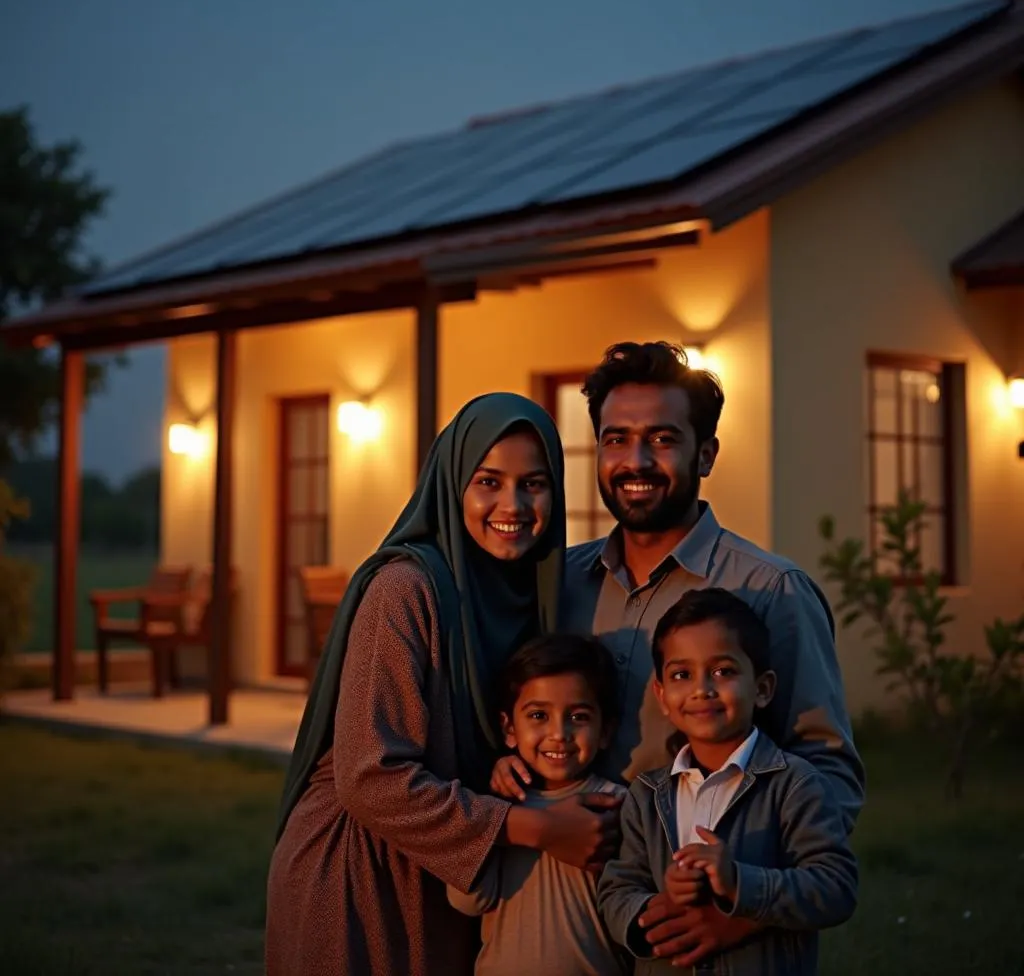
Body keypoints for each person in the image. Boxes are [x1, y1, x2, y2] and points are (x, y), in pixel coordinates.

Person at [491, 342, 864, 967]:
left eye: (662, 439)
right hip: (571, 917)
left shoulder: (770, 591)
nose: (634, 461)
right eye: (615, 440)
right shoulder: (560, 583)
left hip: (705, 931)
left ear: (706, 453)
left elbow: (831, 780)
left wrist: (735, 911)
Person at [265, 393, 623, 976]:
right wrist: (534, 826)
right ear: (453, 483)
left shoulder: (530, 594)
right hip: (361, 873)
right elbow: (370, 775)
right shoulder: (405, 590)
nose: (513, 504)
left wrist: (508, 772)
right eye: (489, 481)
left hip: (450, 864)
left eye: (534, 483)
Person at [598, 588, 858, 974]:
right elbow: (617, 889)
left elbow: (835, 887)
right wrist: (653, 909)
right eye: (682, 675)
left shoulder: (795, 784)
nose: (702, 689)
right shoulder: (647, 795)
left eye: (723, 671)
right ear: (663, 695)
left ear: (763, 688)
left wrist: (740, 882)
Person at [447, 635, 630, 976]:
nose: (558, 733)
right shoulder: (497, 807)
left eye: (578, 716)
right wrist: (496, 807)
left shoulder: (619, 806)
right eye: (538, 715)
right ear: (509, 728)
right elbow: (468, 902)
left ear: (605, 730)